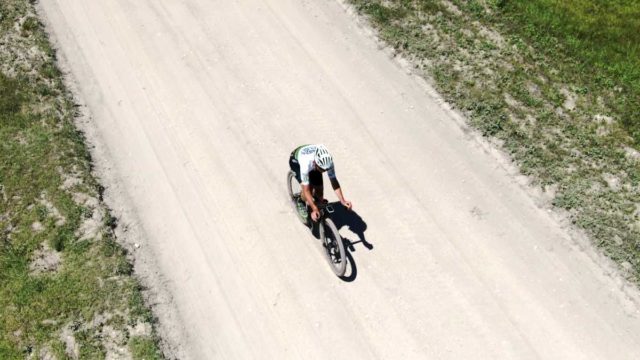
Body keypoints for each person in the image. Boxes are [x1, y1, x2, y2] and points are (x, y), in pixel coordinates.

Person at [289, 144, 352, 221]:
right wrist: (314, 208)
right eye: (322, 169)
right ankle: (300, 201)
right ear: (315, 162)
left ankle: (315, 204)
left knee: (319, 192)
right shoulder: (305, 164)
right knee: (309, 190)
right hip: (296, 162)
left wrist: (343, 200)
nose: (324, 171)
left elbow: (334, 181)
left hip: (313, 162)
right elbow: (306, 190)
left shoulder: (328, 162)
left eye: (325, 169)